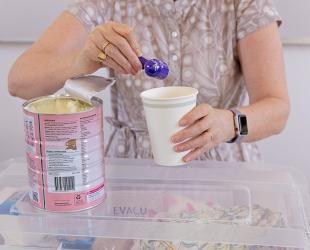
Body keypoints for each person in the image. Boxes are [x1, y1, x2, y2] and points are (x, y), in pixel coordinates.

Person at [8, 0, 290, 163]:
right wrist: (83, 60)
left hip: (223, 171)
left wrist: (227, 124)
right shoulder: (108, 3)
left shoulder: (243, 5)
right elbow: (20, 81)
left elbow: (277, 110)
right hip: (133, 174)